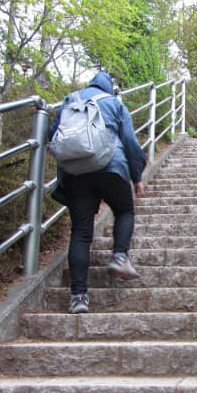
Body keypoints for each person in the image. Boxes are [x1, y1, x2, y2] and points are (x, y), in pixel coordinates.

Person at [49, 71, 147, 314]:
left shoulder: (70, 102)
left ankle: (79, 297)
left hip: (75, 174)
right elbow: (130, 142)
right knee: (124, 210)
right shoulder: (114, 103)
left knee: (81, 233)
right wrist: (137, 176)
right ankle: (119, 256)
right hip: (111, 168)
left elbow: (52, 136)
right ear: (109, 89)